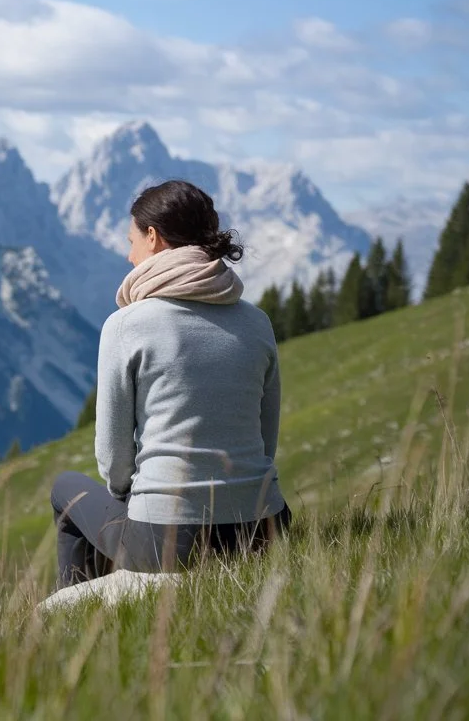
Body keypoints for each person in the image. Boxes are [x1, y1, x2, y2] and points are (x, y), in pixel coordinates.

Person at [50, 179, 292, 588]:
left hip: (166, 540)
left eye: (131, 241)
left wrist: (127, 497)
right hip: (264, 530)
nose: (129, 257)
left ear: (153, 237)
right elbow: (266, 440)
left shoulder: (127, 325)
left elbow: (113, 456)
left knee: (65, 489)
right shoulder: (256, 321)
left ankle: (77, 613)